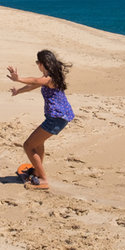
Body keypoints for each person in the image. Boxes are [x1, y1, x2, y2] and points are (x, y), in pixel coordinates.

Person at [6, 49, 74, 190]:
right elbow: (32, 85)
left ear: (43, 63)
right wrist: (18, 91)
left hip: (56, 119)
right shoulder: (51, 77)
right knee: (38, 143)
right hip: (58, 118)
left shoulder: (49, 79)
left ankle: (43, 179)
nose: (37, 64)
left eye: (38, 62)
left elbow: (35, 80)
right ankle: (37, 171)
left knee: (28, 145)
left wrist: (17, 78)